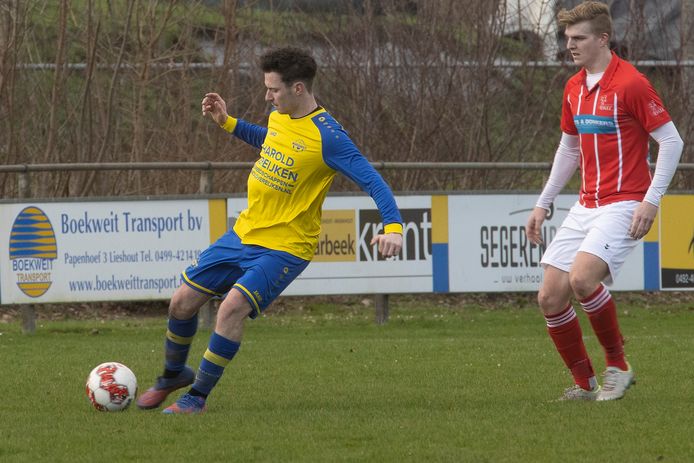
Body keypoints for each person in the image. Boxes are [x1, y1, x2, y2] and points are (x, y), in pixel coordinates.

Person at [136, 47, 404, 414]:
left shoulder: (330, 138)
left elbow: (373, 181)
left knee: (231, 308)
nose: (267, 96)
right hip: (244, 232)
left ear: (298, 88)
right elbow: (270, 140)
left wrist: (394, 228)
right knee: (181, 302)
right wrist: (227, 122)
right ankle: (172, 375)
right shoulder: (281, 116)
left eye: (273, 89)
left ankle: (196, 397)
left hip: (285, 247)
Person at [526, 1, 683, 401]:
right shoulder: (574, 87)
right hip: (586, 204)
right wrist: (543, 203)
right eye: (567, 38)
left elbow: (671, 141)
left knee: (582, 279)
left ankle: (619, 366)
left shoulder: (631, 84)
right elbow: (568, 149)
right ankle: (584, 385)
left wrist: (651, 201)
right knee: (549, 296)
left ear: (603, 38)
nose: (570, 45)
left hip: (625, 202)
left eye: (578, 38)